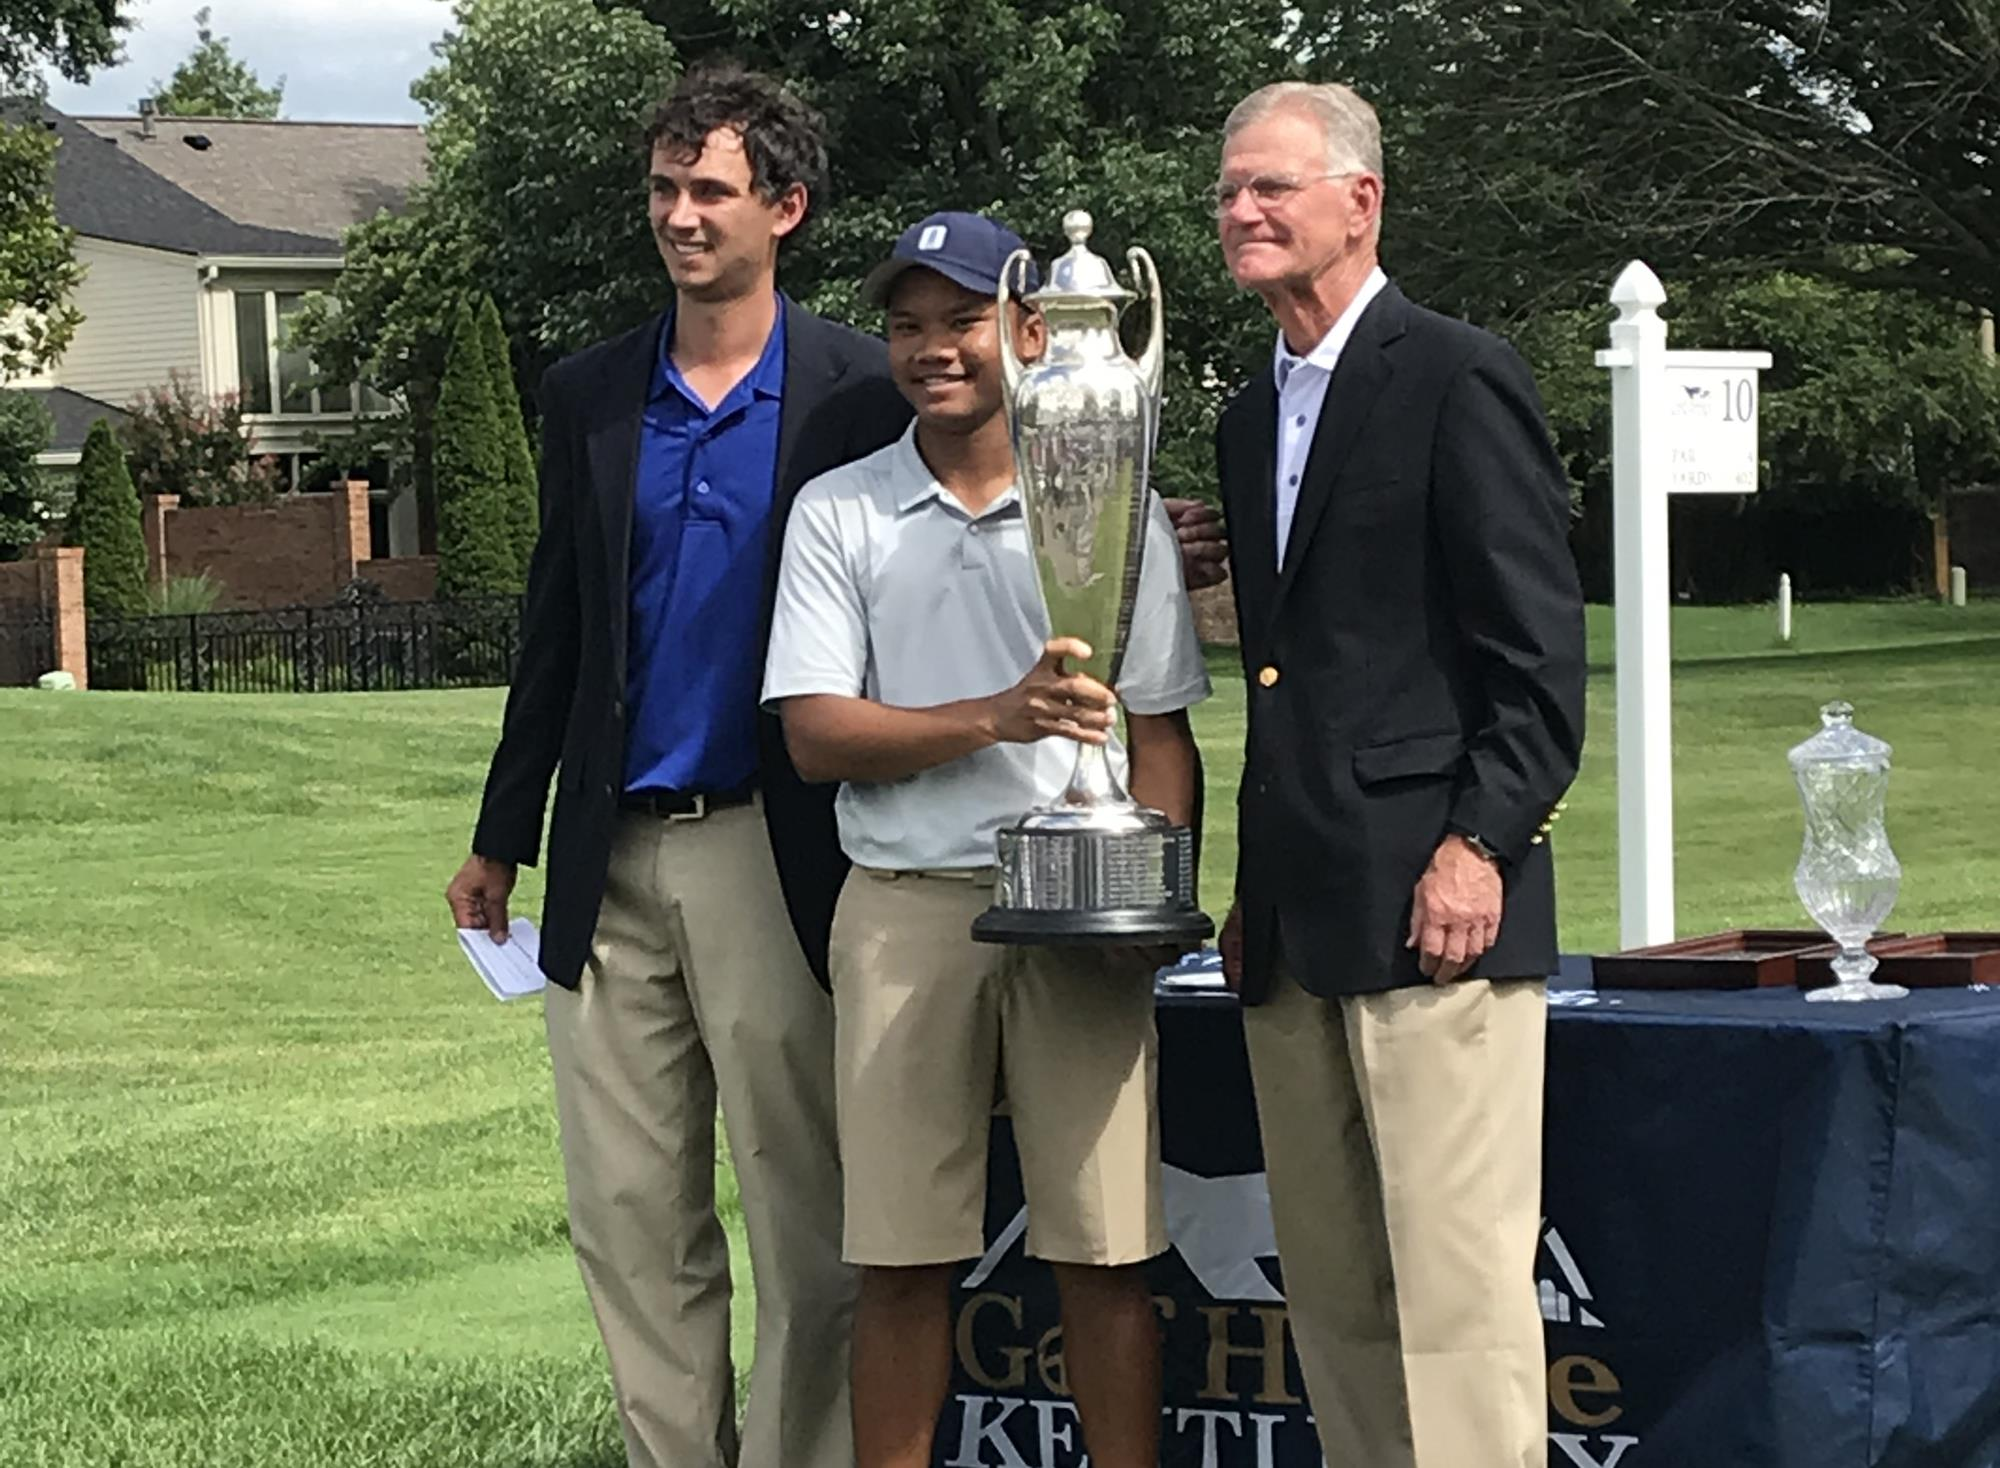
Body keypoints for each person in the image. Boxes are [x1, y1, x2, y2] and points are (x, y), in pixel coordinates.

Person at [443, 66, 909, 1468]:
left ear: (787, 208)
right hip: (605, 860)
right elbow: (559, 629)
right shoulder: (590, 391)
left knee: (805, 1217)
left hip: (775, 850)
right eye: (663, 188)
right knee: (631, 1217)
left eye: (709, 190)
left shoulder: (863, 392)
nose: (679, 214)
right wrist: (500, 833)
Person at [762, 211, 1211, 1468]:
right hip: (906, 905)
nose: (930, 350)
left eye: (958, 321)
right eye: (905, 328)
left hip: (1081, 915)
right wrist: (994, 717)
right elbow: (813, 733)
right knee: (901, 1261)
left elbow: (1161, 737)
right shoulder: (838, 509)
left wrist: (1150, 894)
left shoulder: (1115, 496)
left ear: (1030, 332)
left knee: (1105, 1253)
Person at [1211, 82, 1588, 1468]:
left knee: (1458, 1300)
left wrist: (1478, 843)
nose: (1241, 212)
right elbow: (1288, 679)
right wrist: (1253, 888)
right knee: (1336, 1303)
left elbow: (1538, 660)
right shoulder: (1249, 421)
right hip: (1296, 926)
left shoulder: (1455, 372)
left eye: (1272, 188)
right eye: (1230, 192)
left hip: (1443, 919)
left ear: (1360, 202)